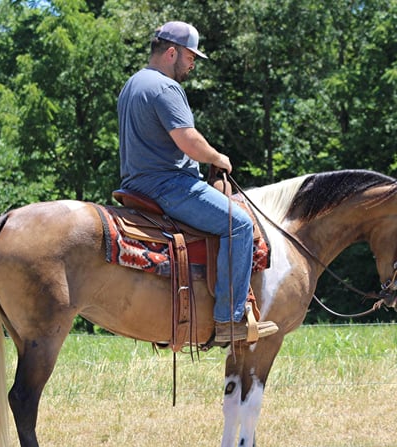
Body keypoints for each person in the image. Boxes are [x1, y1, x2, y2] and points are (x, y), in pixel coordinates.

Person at [117, 21, 278, 343]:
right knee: (240, 225)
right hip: (169, 185)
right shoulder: (165, 87)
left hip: (137, 183)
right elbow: (188, 141)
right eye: (191, 57)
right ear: (172, 52)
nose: (192, 65)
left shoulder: (132, 85)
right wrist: (218, 158)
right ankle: (229, 320)